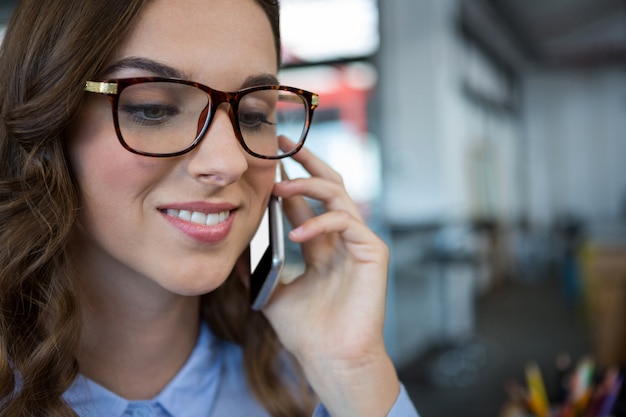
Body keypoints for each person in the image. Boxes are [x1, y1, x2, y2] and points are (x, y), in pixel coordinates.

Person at [0, 0, 420, 416]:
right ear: (48, 124)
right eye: (154, 109)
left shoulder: (314, 386)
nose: (229, 163)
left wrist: (352, 372)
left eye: (254, 116)